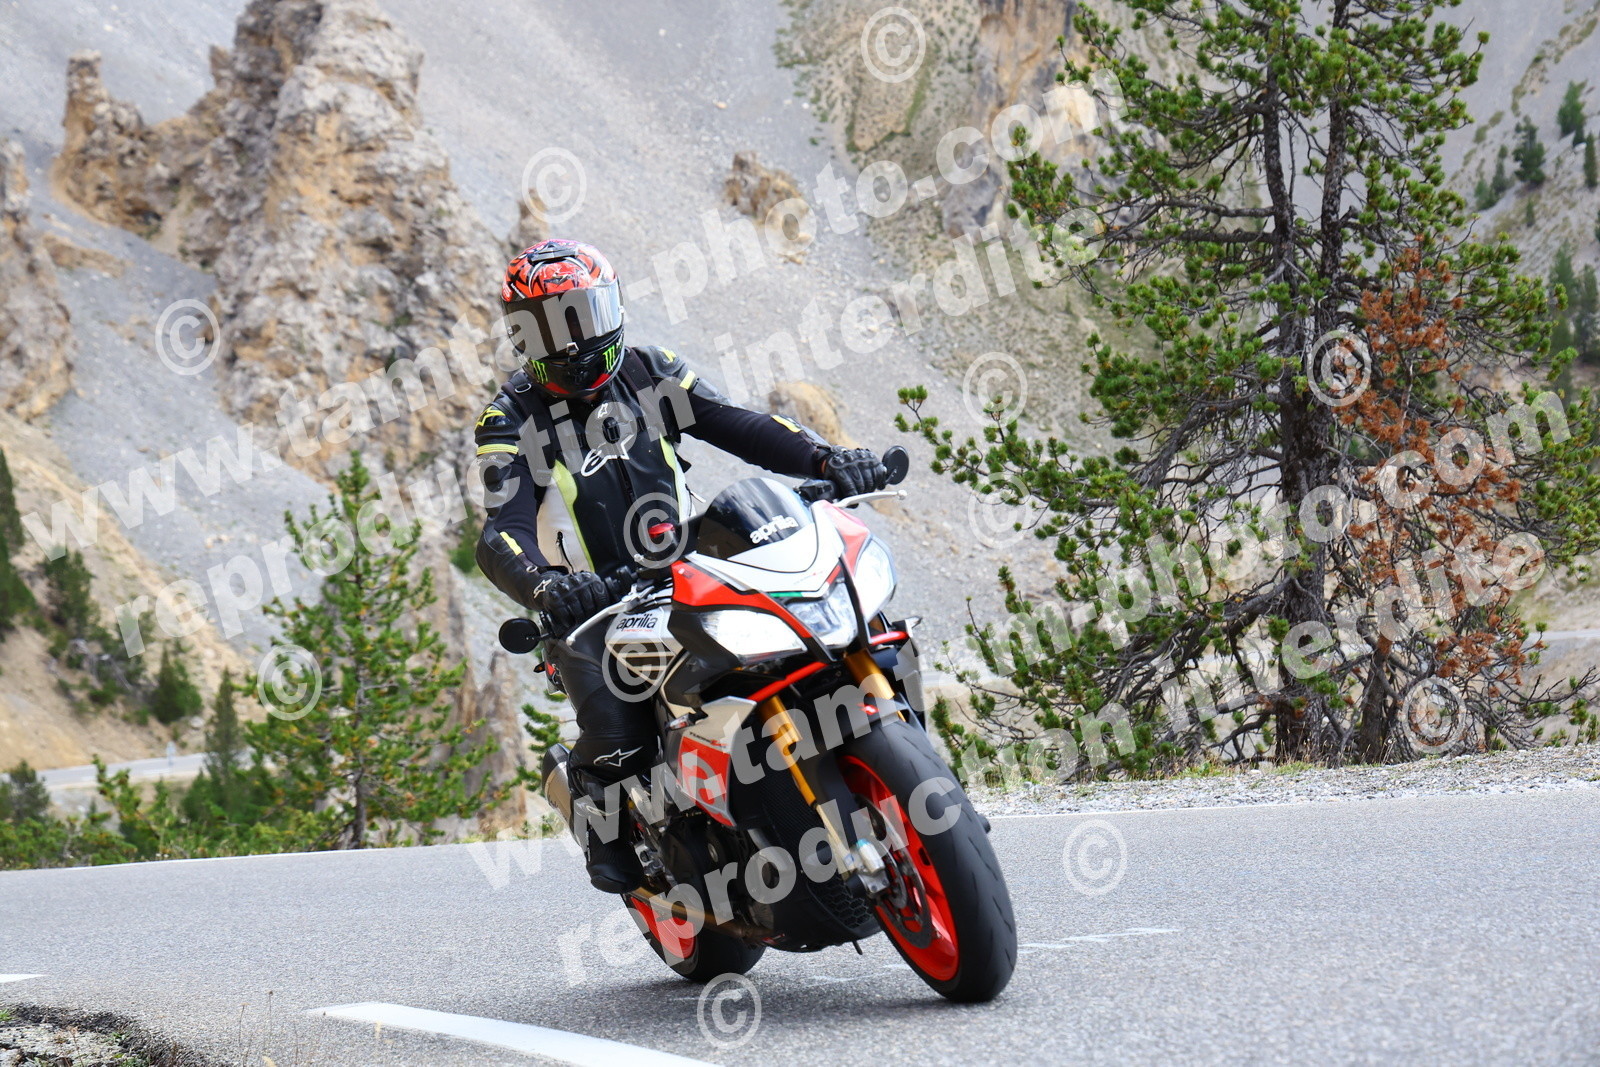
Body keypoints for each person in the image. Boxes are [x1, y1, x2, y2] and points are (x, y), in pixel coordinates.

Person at [473, 238, 888, 892]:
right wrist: (547, 587)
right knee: (619, 735)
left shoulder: (650, 371)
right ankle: (595, 810)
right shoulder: (509, 418)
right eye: (552, 327)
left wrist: (825, 460)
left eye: (582, 315)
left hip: (688, 568)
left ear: (611, 309)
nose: (573, 342)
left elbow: (740, 426)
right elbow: (502, 530)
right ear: (523, 337)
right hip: (593, 606)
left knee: (814, 634)